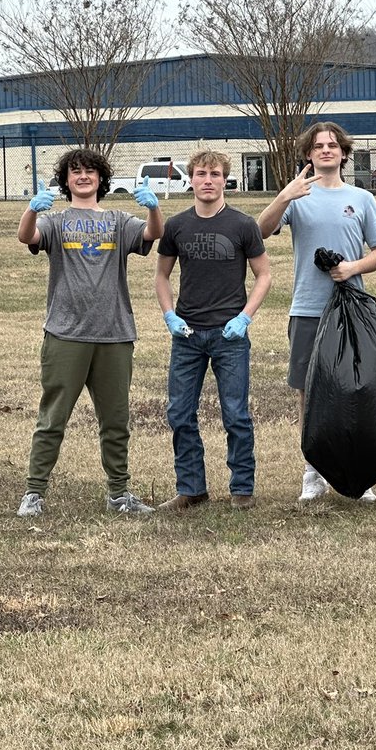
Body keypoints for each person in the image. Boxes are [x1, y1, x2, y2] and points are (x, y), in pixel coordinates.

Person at [15, 148, 163, 517]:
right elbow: (26, 237)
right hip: (66, 333)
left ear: (101, 179)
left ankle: (119, 493)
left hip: (114, 334)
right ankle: (34, 493)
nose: (83, 176)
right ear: (65, 180)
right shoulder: (57, 221)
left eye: (90, 171)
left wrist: (153, 207)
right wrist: (34, 208)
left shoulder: (117, 219)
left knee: (115, 420)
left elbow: (152, 234)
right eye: (75, 172)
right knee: (53, 418)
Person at [257, 121, 376, 504]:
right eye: (318, 146)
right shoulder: (297, 197)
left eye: (333, 145)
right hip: (307, 309)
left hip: (351, 312)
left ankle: (357, 472)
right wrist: (284, 196)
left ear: (344, 153)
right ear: (308, 154)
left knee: (353, 390)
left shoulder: (362, 198)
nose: (326, 150)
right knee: (309, 393)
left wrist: (352, 268)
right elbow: (260, 231)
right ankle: (313, 471)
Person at [154, 149, 272, 511]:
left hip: (230, 336)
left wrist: (245, 317)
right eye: (202, 173)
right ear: (191, 178)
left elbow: (264, 275)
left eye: (216, 174)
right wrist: (169, 315)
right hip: (187, 335)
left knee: (235, 412)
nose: (208, 180)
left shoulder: (242, 225)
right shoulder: (177, 226)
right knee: (179, 413)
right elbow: (161, 275)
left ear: (225, 180)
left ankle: (242, 489)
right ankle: (191, 488)